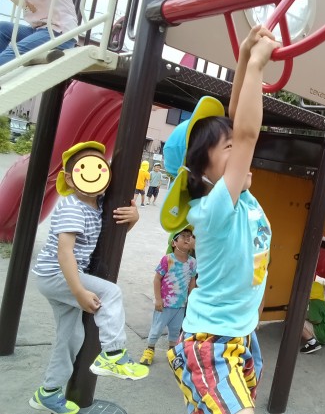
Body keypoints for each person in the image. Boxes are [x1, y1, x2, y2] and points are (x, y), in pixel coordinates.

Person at [161, 25, 279, 414]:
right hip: (210, 343)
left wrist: (244, 58)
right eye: (228, 148)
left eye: (233, 143)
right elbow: (245, 133)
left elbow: (234, 120)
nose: (239, 149)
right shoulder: (214, 209)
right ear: (201, 175)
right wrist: (258, 68)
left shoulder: (237, 198)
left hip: (240, 337)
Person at [29, 141, 148, 414]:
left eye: (100, 168)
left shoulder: (99, 205)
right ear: (70, 179)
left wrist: (133, 218)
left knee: (71, 337)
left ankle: (47, 392)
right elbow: (65, 253)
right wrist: (79, 291)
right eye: (85, 169)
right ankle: (113, 354)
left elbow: (103, 241)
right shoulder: (73, 207)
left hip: (58, 276)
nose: (93, 174)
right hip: (57, 273)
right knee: (111, 292)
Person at [139, 226, 197, 366]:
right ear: (173, 242)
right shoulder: (167, 259)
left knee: (176, 330)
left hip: (181, 304)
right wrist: (158, 299)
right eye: (183, 236)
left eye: (189, 236)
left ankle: (172, 351)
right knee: (157, 328)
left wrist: (191, 300)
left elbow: (192, 281)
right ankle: (150, 349)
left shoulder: (192, 262)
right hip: (165, 304)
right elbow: (157, 279)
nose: (187, 238)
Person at [0, 0, 77, 66]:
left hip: (59, 32)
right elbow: (24, 4)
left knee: (15, 50)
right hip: (40, 30)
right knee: (3, 28)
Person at [300, 281, 325, 354]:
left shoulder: (313, 303)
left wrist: (304, 317)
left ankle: (313, 343)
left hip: (322, 334)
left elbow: (317, 320)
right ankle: (320, 340)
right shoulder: (323, 303)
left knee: (297, 321)